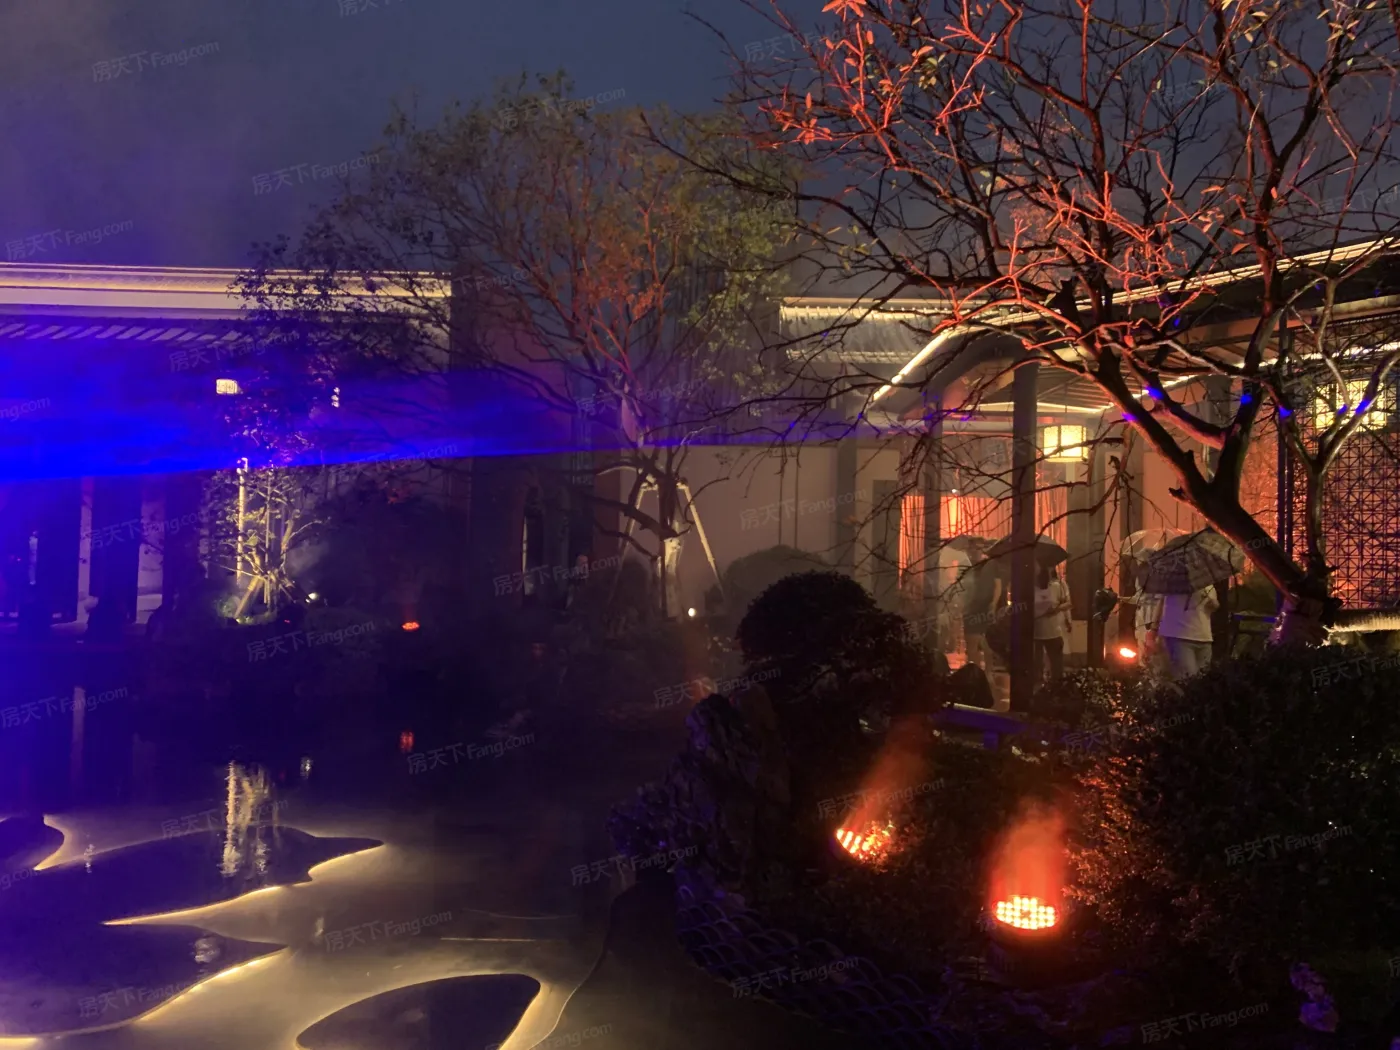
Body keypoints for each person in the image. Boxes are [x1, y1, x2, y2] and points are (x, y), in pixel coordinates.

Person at [1156, 583, 1219, 680]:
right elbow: (1160, 602)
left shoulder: (1208, 584)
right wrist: (1154, 628)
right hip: (1180, 635)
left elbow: (1212, 606)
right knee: (1188, 678)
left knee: (1203, 680)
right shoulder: (1174, 580)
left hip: (1204, 637)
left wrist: (1214, 604)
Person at [961, 556, 1002, 670]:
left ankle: (986, 672)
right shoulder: (966, 562)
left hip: (984, 608)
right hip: (971, 609)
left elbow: (998, 585)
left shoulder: (991, 564)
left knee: (986, 644)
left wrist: (993, 604)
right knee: (972, 644)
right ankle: (976, 671)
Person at [1032, 564, 1070, 684]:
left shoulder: (1058, 585)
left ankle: (1055, 686)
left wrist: (1056, 609)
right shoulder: (1031, 588)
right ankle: (1039, 685)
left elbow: (1068, 603)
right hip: (1035, 632)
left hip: (1053, 631)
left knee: (1056, 666)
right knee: (1036, 666)